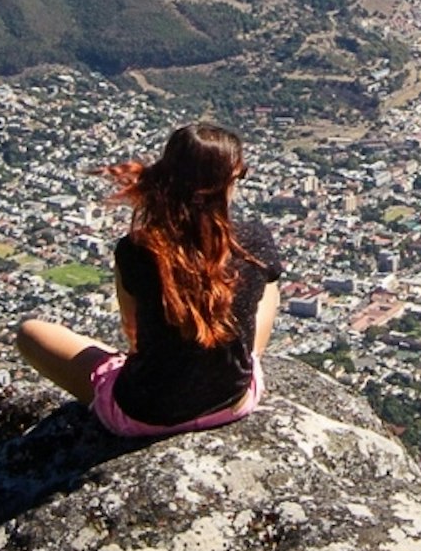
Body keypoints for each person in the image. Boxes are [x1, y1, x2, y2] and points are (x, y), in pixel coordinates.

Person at [14, 120, 281, 438]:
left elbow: (134, 334)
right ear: (229, 180)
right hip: (234, 403)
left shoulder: (138, 249)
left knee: (29, 332)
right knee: (269, 284)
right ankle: (245, 359)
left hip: (143, 415)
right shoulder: (252, 241)